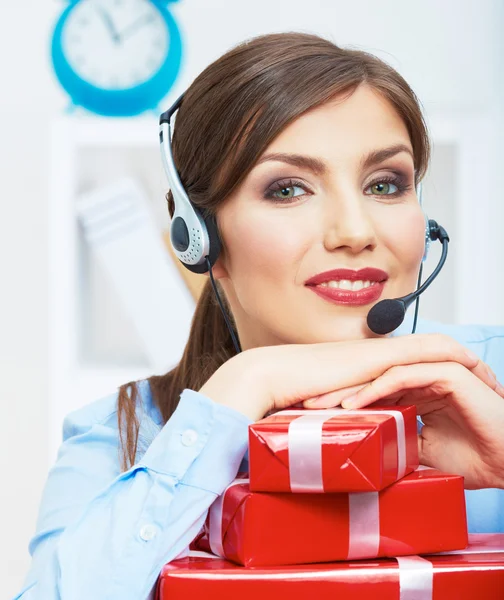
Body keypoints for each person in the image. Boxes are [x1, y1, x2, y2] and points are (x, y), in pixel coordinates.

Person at [13, 31, 504, 600]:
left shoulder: (486, 381)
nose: (354, 231)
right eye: (289, 189)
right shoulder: (124, 436)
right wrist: (249, 385)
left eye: (385, 184)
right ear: (201, 239)